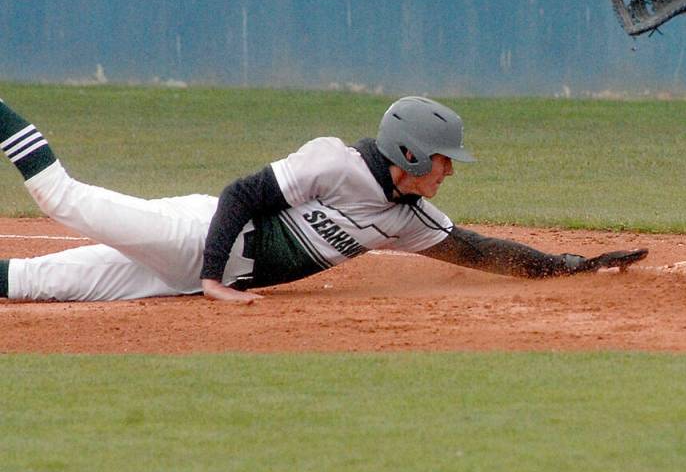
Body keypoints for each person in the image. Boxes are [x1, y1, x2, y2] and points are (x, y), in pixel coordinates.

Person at [0, 95, 647, 303]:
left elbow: (476, 249)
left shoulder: (406, 217)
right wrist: (210, 276)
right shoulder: (332, 161)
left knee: (36, 280)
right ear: (413, 156)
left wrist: (569, 263)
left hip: (192, 274)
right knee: (63, 197)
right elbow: (241, 193)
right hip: (196, 237)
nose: (452, 170)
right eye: (445, 159)